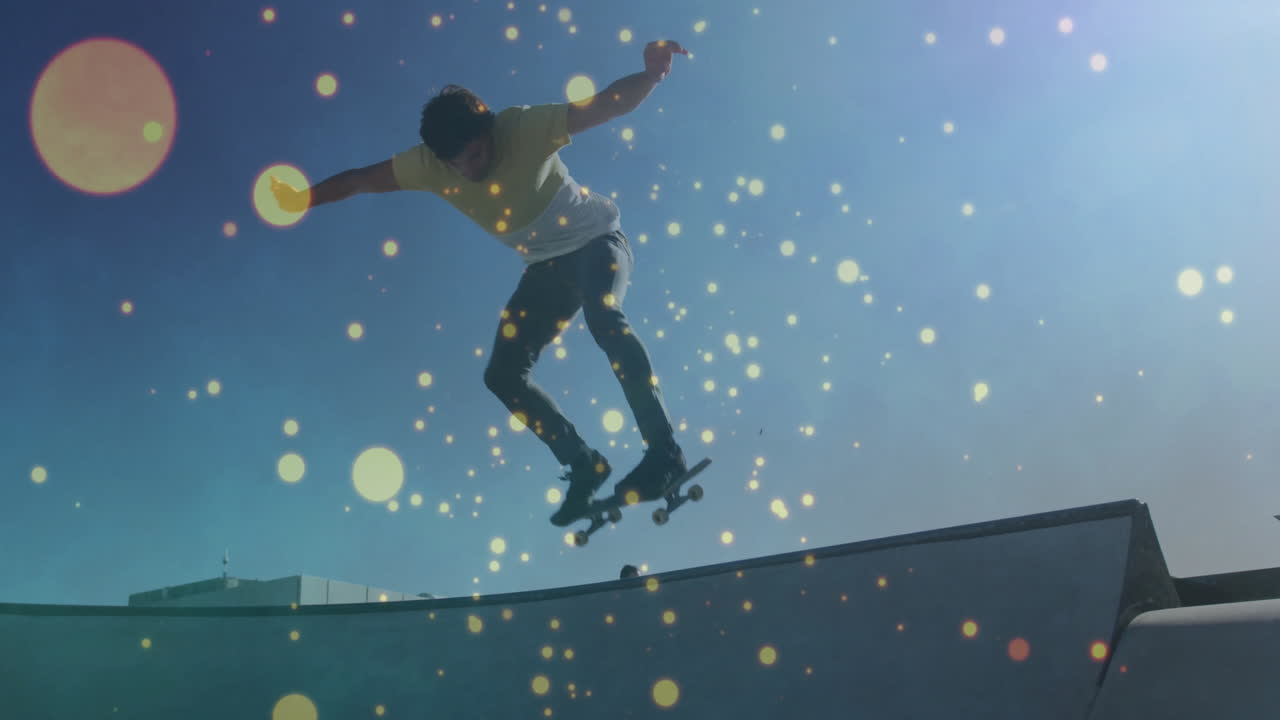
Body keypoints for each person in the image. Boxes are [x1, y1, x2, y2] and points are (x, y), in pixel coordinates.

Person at [270, 40, 691, 527]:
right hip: (546, 269)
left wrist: (652, 76)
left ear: (488, 128)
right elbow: (362, 179)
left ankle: (664, 453)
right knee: (503, 376)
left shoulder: (522, 127)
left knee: (604, 317)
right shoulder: (428, 165)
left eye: (475, 154)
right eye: (458, 165)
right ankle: (583, 463)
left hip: (599, 242)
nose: (470, 171)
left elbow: (604, 104)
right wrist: (304, 198)